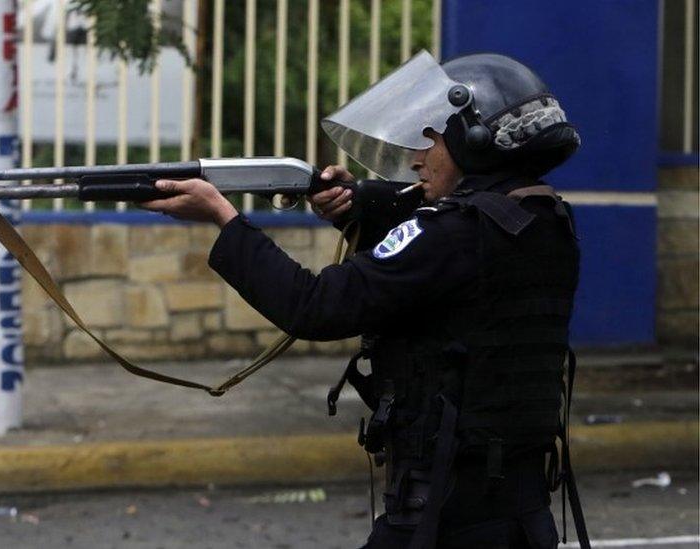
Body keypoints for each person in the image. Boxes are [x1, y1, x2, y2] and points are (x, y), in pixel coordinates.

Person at [141, 51, 587, 549]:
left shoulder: (451, 235)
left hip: (441, 516)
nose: (419, 158)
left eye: (433, 139)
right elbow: (438, 264)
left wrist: (225, 220)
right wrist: (358, 203)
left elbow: (315, 306)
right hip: (517, 512)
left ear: (475, 142)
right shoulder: (544, 222)